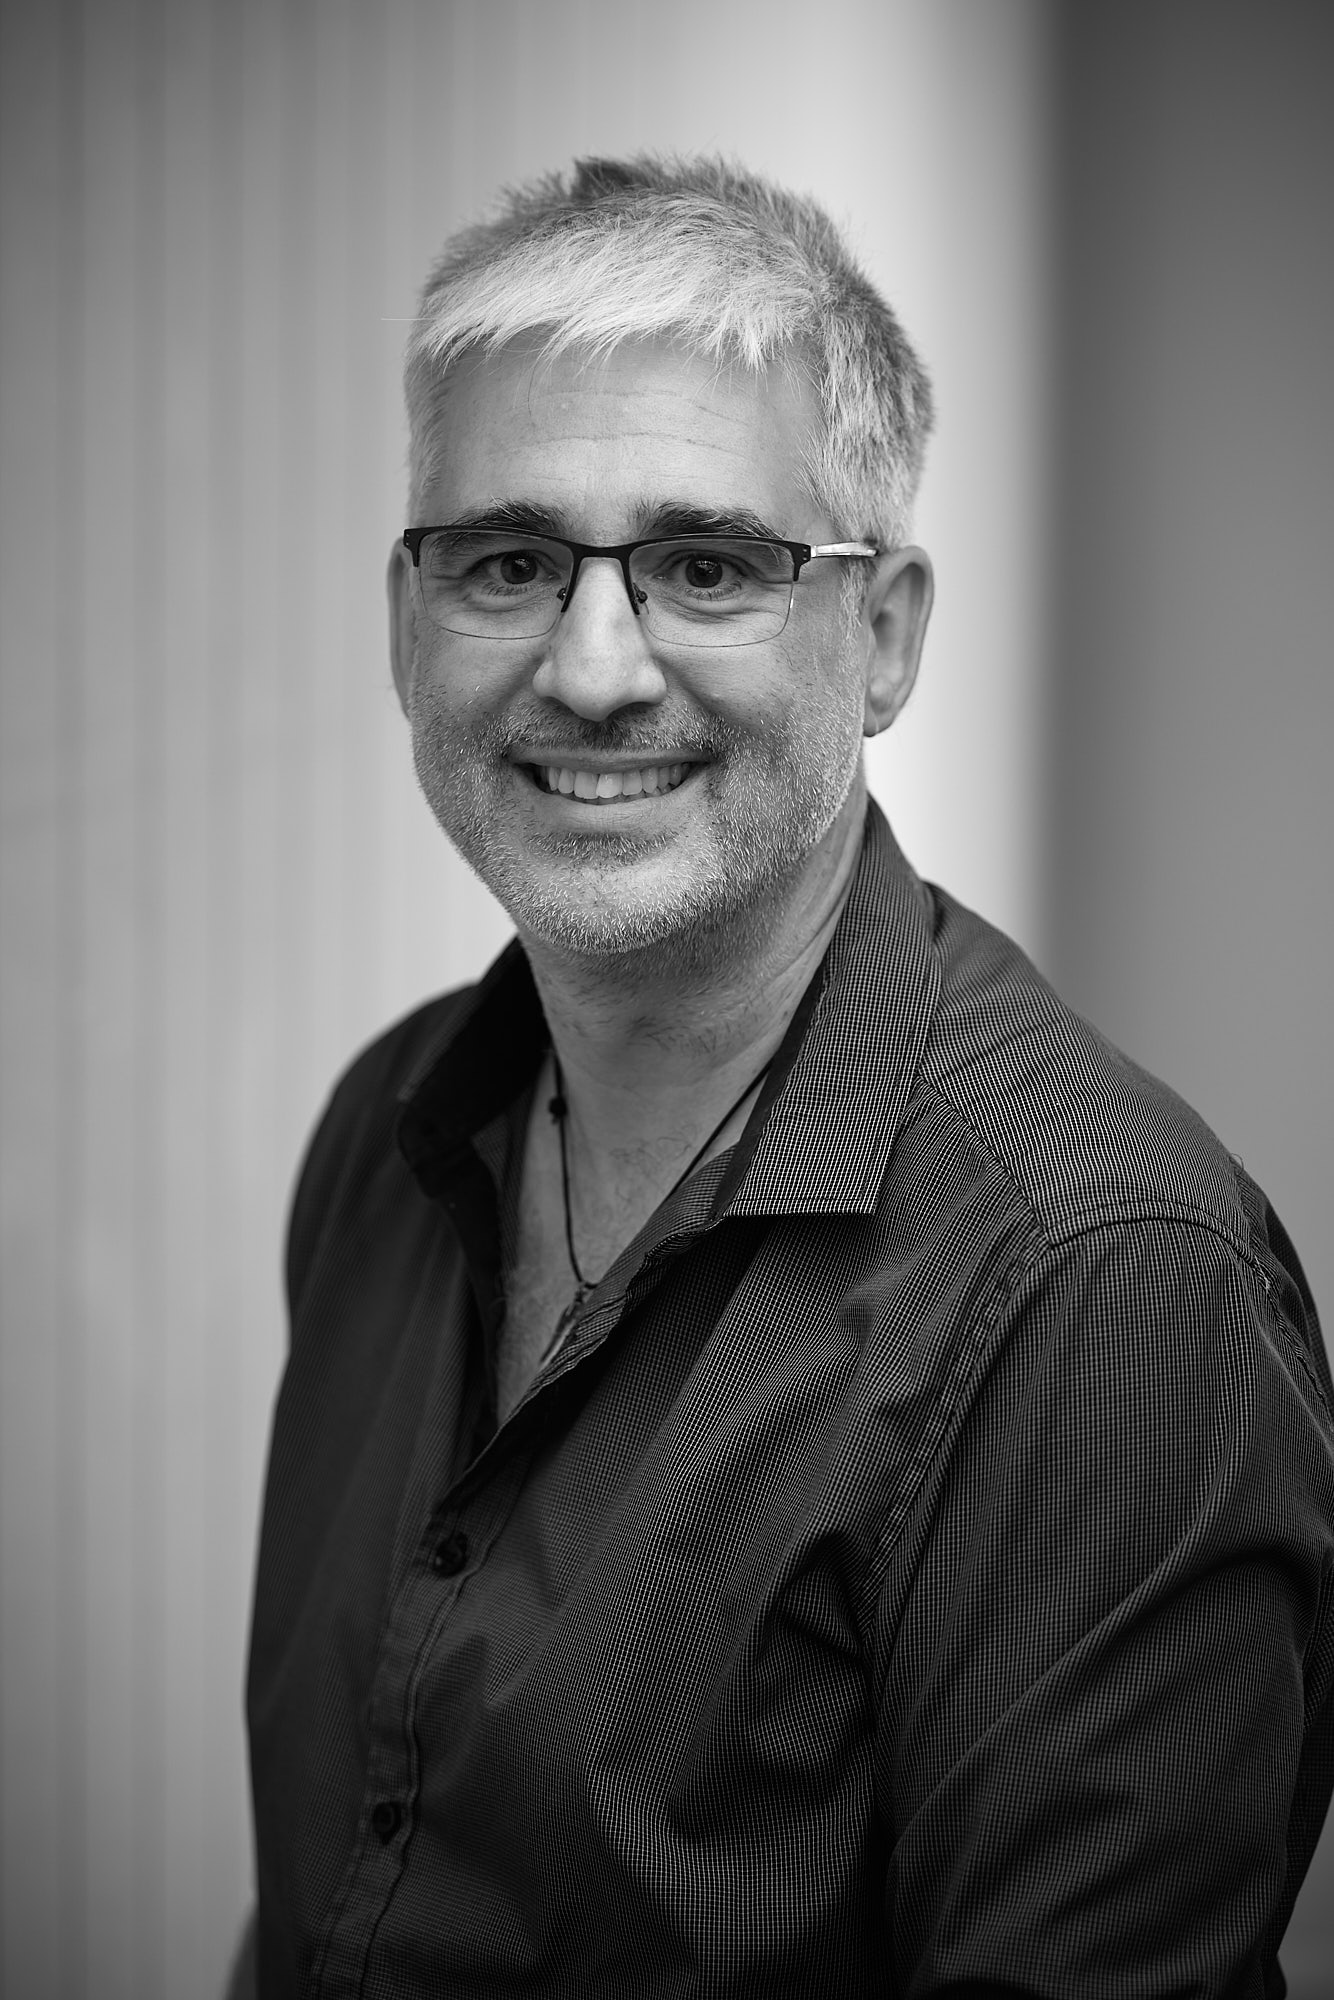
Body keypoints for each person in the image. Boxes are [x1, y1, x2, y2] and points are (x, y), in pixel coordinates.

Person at [234, 155, 1334, 1997]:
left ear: (882, 636)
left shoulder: (1102, 1285)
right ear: (406, 626)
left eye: (706, 567)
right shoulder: (390, 1132)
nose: (594, 670)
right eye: (507, 562)